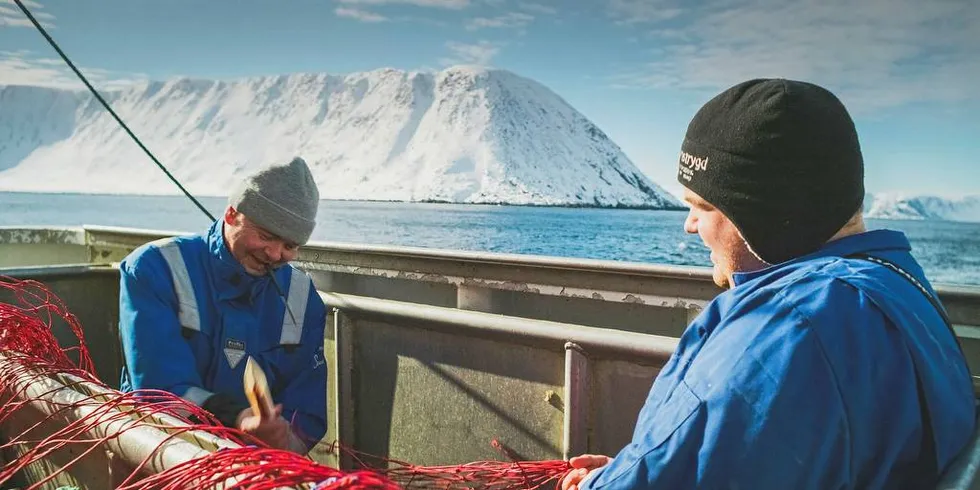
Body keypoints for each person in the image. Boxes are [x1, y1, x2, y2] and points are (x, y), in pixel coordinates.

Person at [562, 79, 976, 489]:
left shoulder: (788, 328)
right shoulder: (897, 284)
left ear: (764, 215)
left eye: (702, 205)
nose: (689, 225)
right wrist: (632, 469)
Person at [118, 156, 328, 454]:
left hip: (256, 469)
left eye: (290, 245)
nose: (275, 253)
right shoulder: (155, 268)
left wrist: (284, 443)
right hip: (160, 452)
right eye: (266, 235)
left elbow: (307, 408)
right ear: (231, 214)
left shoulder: (302, 297)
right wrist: (238, 419)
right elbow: (159, 389)